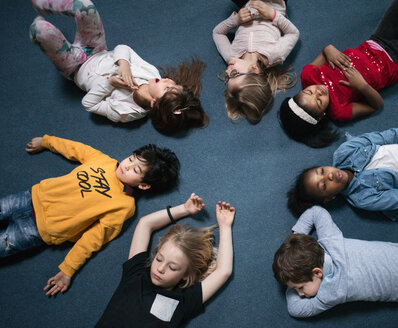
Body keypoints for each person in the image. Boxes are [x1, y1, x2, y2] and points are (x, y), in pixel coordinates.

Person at [0, 134, 180, 296]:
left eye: (136, 170)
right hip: (29, 198)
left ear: (144, 185)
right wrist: (47, 142)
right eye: (131, 159)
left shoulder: (125, 206)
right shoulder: (105, 161)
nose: (127, 165)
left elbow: (93, 239)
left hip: (38, 230)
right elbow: (75, 148)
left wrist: (68, 269)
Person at [279, 0, 398, 147]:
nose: (318, 92)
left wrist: (329, 49)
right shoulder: (339, 111)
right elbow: (376, 105)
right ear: (322, 116)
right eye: (319, 102)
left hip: (377, 39)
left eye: (309, 92)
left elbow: (325, 53)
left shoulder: (308, 76)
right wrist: (361, 86)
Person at [29, 0, 208, 135]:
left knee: (40, 30)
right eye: (173, 83)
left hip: (74, 67)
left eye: (167, 87)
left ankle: (39, 24)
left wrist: (110, 83)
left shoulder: (128, 112)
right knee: (85, 5)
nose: (168, 79)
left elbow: (89, 104)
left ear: (154, 103)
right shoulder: (152, 73)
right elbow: (124, 48)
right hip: (96, 48)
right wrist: (123, 63)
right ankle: (44, 5)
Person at [96, 193, 236, 327]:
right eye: (159, 259)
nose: (160, 268)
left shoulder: (183, 300)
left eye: (172, 267)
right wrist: (184, 209)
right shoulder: (135, 274)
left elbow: (223, 271)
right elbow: (145, 224)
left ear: (186, 274)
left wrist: (225, 226)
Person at [213, 0, 299, 123]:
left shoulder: (231, 56)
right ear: (254, 69)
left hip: (246, 4)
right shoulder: (276, 54)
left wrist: (236, 20)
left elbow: (217, 33)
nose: (227, 71)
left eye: (228, 78)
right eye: (234, 74)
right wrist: (273, 15)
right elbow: (293, 33)